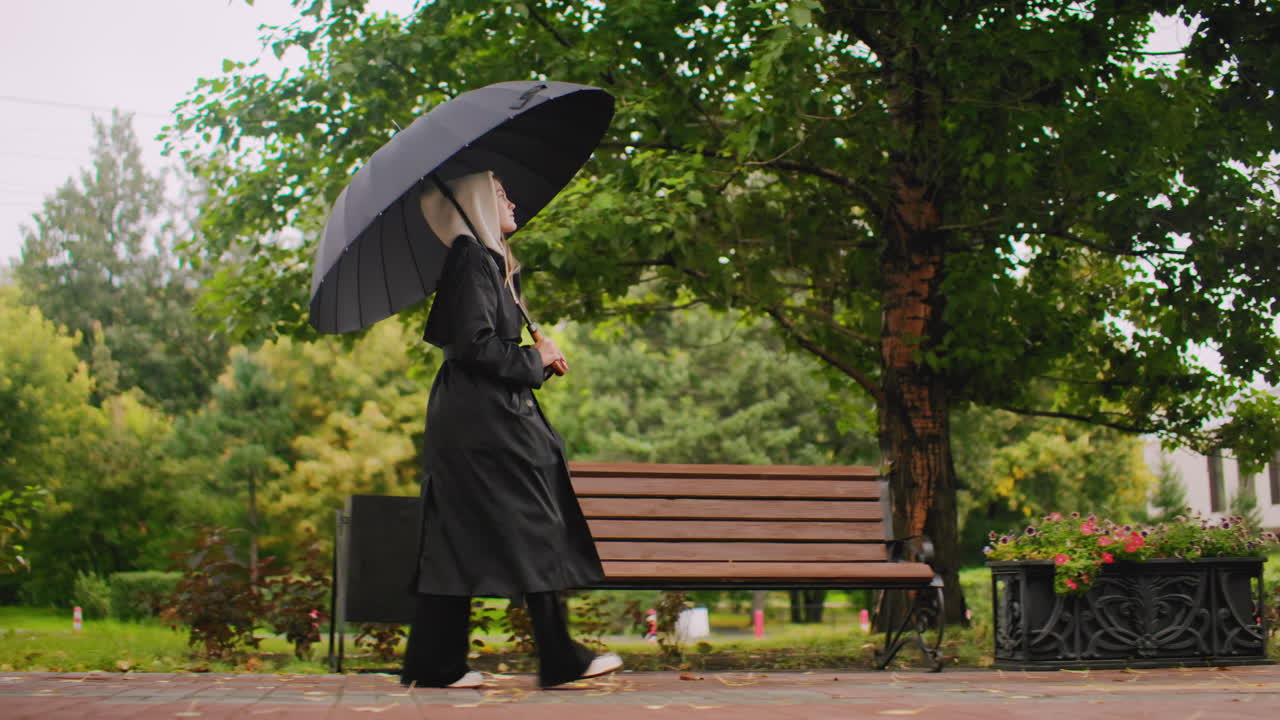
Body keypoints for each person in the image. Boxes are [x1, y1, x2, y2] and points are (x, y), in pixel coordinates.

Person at [400, 170, 622, 689]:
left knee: (456, 534)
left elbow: (479, 343)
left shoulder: (489, 263)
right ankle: (560, 657)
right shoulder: (471, 258)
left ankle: (435, 664)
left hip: (474, 416)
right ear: (475, 201)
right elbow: (472, 346)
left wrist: (538, 359)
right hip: (486, 421)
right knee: (535, 521)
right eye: (500, 193)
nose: (512, 200)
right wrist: (532, 357)